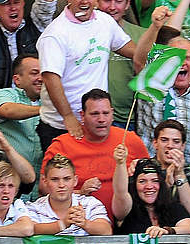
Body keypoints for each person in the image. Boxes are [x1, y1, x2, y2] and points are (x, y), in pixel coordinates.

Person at [36, 0, 146, 147]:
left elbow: (133, 51)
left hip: (95, 123)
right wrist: (68, 117)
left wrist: (155, 30)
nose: (84, 1)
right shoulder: (55, 33)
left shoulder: (104, 21)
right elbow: (51, 79)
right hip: (61, 126)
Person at [40, 89, 149, 218]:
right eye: (95, 114)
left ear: (112, 114)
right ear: (82, 115)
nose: (101, 119)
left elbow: (153, 179)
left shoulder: (130, 139)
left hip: (128, 219)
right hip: (79, 223)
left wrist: (140, 170)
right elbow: (44, 187)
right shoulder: (62, 145)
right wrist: (79, 192)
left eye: (106, 113)